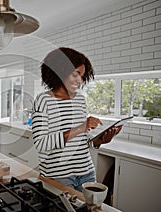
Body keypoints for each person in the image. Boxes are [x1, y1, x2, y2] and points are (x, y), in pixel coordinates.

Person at [31, 47, 122, 192]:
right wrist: (81, 127)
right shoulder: (43, 100)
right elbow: (41, 143)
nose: (80, 80)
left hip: (86, 172)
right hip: (59, 176)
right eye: (75, 74)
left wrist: (100, 140)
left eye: (82, 76)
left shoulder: (80, 99)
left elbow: (81, 139)